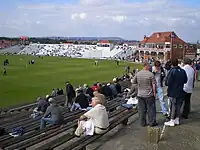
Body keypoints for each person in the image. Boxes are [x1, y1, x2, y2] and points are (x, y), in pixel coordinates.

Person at [132, 61, 157, 127]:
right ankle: (151, 122)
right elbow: (154, 85)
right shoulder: (151, 74)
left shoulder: (138, 74)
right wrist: (154, 93)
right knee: (151, 109)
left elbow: (133, 82)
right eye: (149, 66)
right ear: (146, 66)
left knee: (142, 110)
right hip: (149, 95)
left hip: (140, 95)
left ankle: (142, 123)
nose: (149, 67)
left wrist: (139, 87)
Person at [164, 59, 187, 127]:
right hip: (180, 90)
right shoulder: (182, 71)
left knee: (173, 105)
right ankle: (177, 119)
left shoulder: (172, 71)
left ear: (171, 64)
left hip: (173, 91)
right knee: (178, 105)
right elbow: (185, 80)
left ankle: (171, 120)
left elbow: (167, 82)